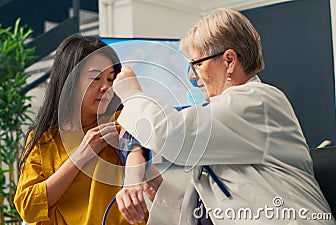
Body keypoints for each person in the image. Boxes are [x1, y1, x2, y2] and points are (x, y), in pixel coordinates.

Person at [113, 8, 335, 225]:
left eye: (197, 64)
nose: (192, 76)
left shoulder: (257, 101)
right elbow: (215, 204)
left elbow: (172, 134)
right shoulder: (227, 117)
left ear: (229, 61)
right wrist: (159, 188)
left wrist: (131, 95)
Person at [14, 34, 150, 225]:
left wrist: (133, 179)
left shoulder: (120, 121)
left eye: (110, 79)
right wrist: (82, 155)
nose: (106, 87)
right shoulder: (44, 139)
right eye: (96, 78)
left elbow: (135, 149)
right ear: (69, 80)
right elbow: (28, 208)